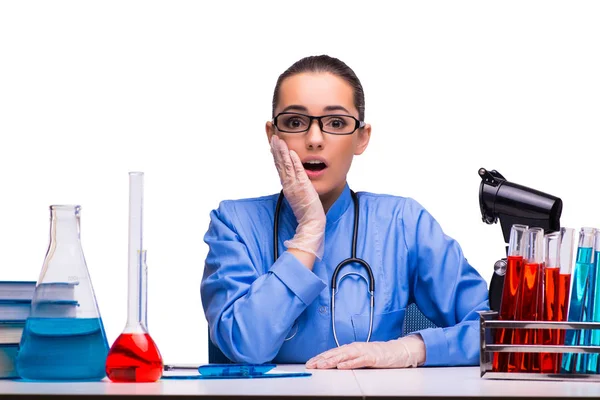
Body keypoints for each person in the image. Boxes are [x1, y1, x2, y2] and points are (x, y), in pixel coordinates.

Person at [201, 55, 489, 369]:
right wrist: (309, 230)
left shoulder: (403, 223)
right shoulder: (234, 224)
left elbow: (492, 329)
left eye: (336, 123)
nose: (314, 139)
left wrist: (411, 349)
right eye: (295, 122)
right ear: (273, 135)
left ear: (361, 138)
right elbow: (245, 347)